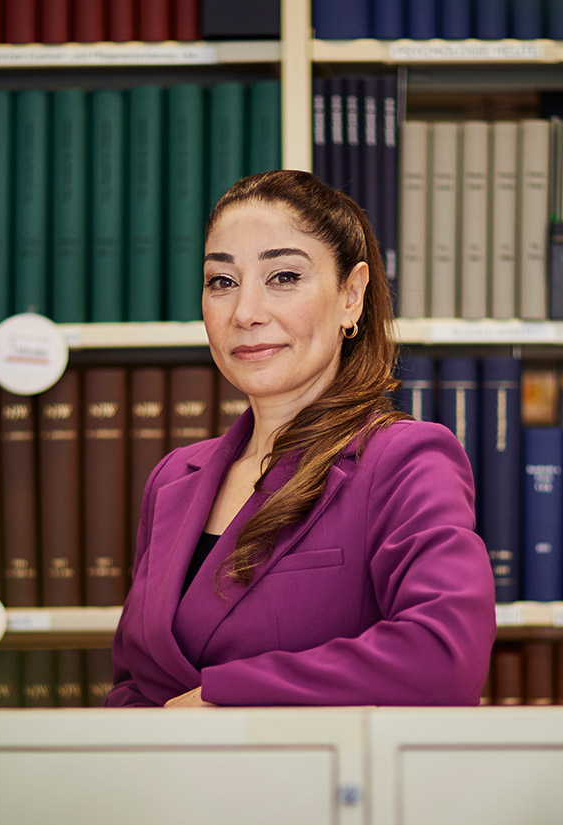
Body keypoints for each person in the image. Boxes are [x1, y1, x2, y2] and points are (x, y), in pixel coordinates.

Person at [107, 170, 495, 707]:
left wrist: (224, 695)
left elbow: (443, 657)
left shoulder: (404, 459)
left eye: (283, 276)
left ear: (351, 297)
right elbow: (133, 682)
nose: (244, 313)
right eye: (222, 281)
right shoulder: (173, 478)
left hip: (328, 786)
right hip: (170, 788)